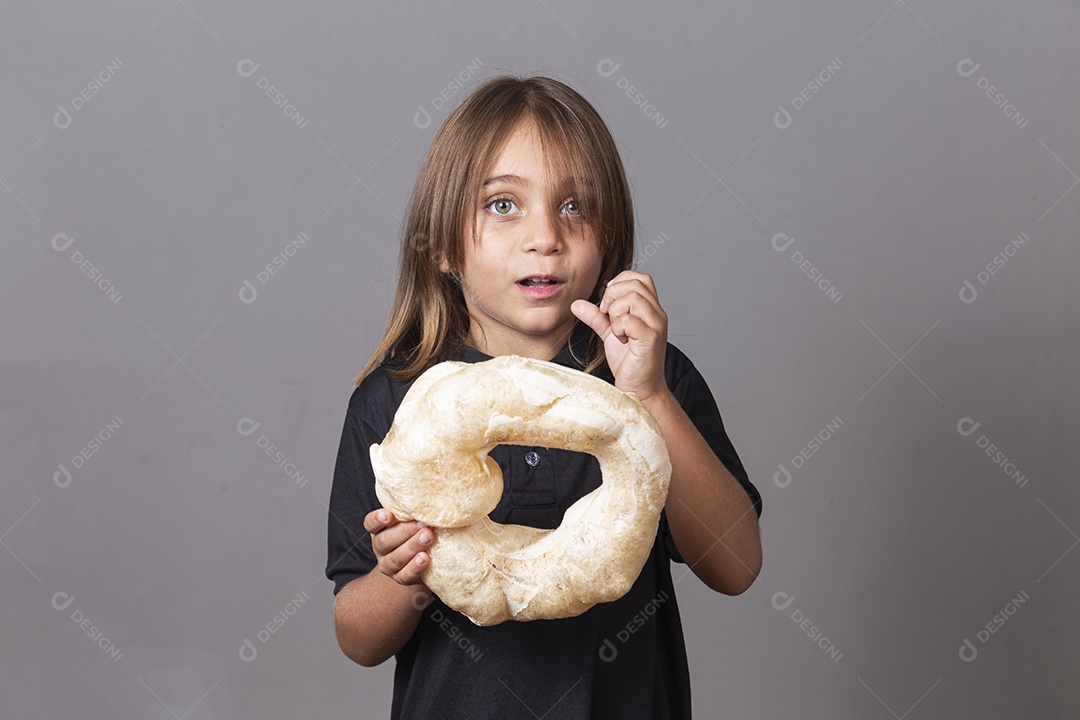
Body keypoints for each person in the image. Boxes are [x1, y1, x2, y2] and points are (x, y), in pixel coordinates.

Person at [326, 73, 763, 719]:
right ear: (443, 243)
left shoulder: (645, 380)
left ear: (608, 241)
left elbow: (735, 565)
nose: (545, 236)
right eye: (503, 204)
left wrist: (649, 395)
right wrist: (403, 575)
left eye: (574, 207)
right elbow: (357, 639)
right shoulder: (398, 401)